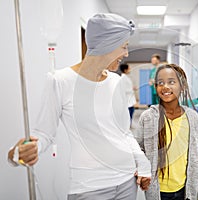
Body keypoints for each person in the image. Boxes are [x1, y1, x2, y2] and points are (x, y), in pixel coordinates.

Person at [7, 13, 151, 200]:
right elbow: (44, 134)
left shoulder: (115, 81)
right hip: (89, 187)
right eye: (123, 47)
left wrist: (142, 163)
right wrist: (20, 152)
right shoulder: (61, 81)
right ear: (106, 45)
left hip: (126, 181)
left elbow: (124, 132)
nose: (126, 54)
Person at [135, 64, 198, 200]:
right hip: (157, 192)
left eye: (171, 82)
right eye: (160, 83)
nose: (165, 87)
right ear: (156, 87)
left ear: (182, 86)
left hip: (186, 191)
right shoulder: (148, 117)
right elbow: (138, 150)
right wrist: (142, 172)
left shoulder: (192, 118)